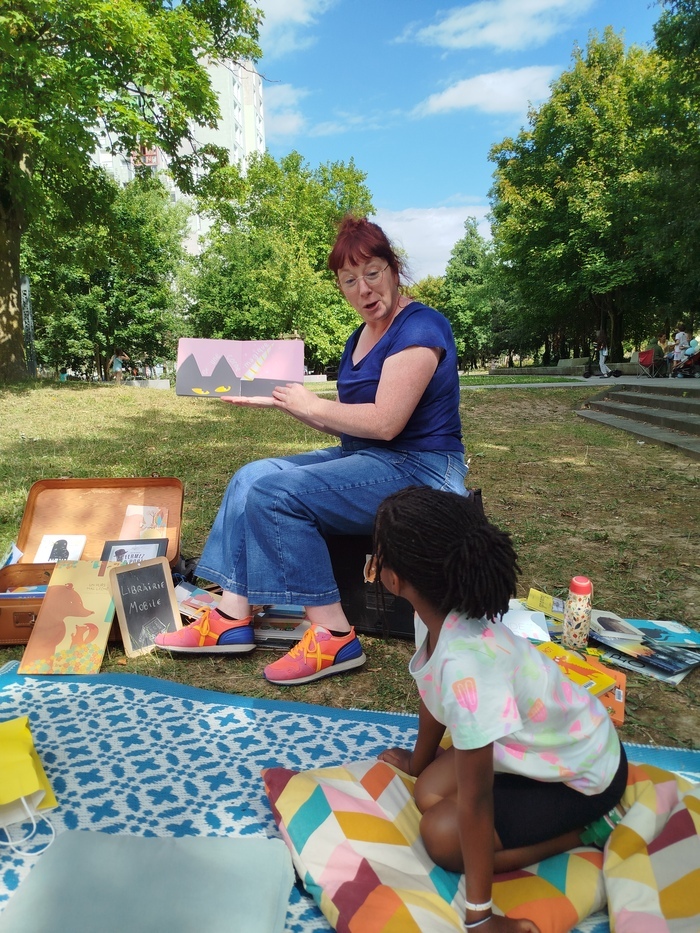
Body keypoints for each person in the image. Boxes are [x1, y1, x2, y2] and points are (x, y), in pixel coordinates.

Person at [155, 216, 468, 685]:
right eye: (349, 280)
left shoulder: (421, 326)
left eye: (373, 272)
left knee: (277, 493)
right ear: (339, 286)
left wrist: (312, 402)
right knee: (249, 477)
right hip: (370, 458)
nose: (363, 289)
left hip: (424, 468)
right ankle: (230, 616)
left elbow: (385, 423)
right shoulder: (358, 338)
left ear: (394, 270)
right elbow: (345, 420)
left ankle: (334, 634)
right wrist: (282, 399)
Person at [374, 486, 628, 933]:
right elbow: (431, 692)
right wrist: (418, 761)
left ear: (394, 579)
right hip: (541, 749)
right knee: (427, 792)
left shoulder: (467, 665)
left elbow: (476, 801)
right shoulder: (434, 614)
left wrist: (480, 917)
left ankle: (589, 832)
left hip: (585, 775)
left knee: (442, 837)